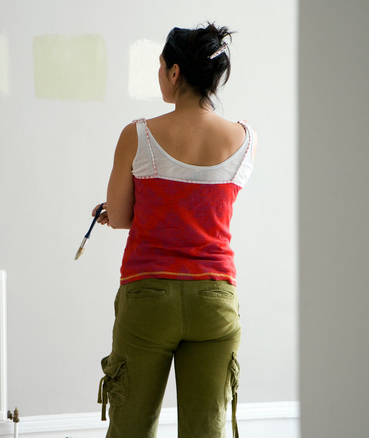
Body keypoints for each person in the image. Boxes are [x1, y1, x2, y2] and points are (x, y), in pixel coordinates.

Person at [94, 23, 256, 438]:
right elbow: (208, 210)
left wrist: (113, 212)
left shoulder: (139, 135)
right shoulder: (245, 139)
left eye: (160, 65)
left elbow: (124, 216)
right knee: (207, 431)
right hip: (215, 299)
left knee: (130, 427)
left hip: (148, 298)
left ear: (175, 72)